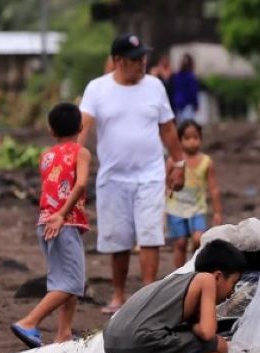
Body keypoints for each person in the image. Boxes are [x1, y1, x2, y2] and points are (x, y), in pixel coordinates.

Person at [78, 33, 183, 315]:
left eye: (143, 57)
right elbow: (83, 126)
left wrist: (179, 164)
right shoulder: (97, 89)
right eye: (136, 59)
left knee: (150, 234)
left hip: (151, 174)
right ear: (118, 61)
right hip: (113, 177)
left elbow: (168, 128)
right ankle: (119, 296)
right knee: (118, 239)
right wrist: (71, 162)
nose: (142, 63)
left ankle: (148, 296)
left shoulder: (155, 86)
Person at [95, 239, 246, 353]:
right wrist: (193, 326)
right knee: (219, 347)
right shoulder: (206, 280)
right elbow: (208, 332)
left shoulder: (174, 281)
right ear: (218, 276)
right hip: (139, 341)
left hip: (112, 345)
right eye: (233, 284)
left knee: (161, 339)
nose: (232, 293)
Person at [11, 103, 92, 348]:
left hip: (46, 222)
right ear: (80, 126)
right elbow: (80, 184)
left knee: (64, 279)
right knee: (73, 283)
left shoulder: (46, 156)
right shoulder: (81, 152)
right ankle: (28, 322)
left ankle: (64, 333)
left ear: (51, 130)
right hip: (62, 222)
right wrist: (63, 214)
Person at [167, 120, 222, 269]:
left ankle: (193, 267)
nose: (192, 141)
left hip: (197, 208)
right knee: (180, 243)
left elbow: (214, 188)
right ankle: (179, 273)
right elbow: (165, 184)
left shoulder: (206, 162)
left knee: (199, 239)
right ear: (179, 140)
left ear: (201, 139)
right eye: (187, 138)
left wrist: (217, 212)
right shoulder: (173, 161)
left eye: (195, 137)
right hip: (175, 208)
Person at [169, 54, 199, 122]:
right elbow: (193, 92)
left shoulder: (176, 76)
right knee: (188, 125)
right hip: (187, 105)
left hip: (177, 104)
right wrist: (196, 104)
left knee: (180, 125)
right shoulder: (191, 76)